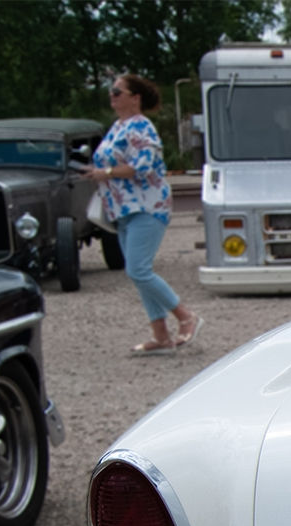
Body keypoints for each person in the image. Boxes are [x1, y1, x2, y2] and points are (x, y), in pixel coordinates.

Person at [83, 74, 201, 356]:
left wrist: (107, 172)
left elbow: (144, 166)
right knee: (136, 271)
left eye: (117, 92)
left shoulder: (141, 128)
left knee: (138, 269)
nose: (112, 96)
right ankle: (160, 335)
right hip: (123, 209)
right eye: (111, 92)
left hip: (147, 207)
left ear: (135, 98)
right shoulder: (118, 127)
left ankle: (186, 316)